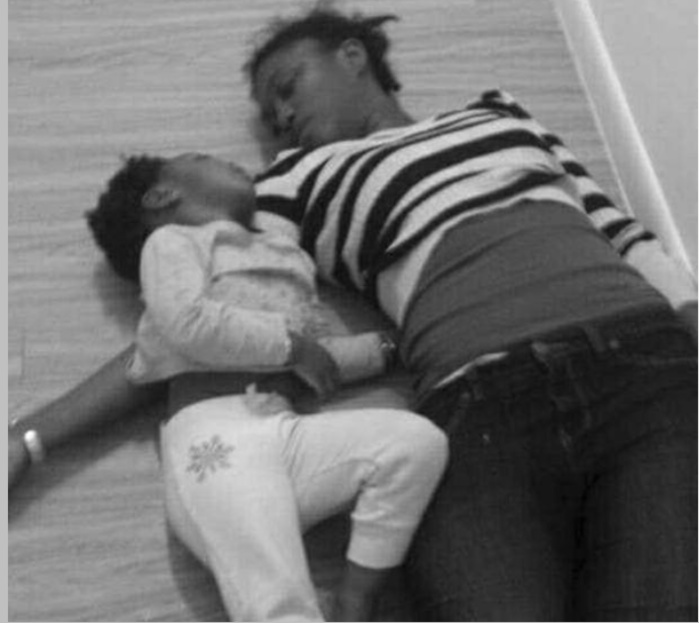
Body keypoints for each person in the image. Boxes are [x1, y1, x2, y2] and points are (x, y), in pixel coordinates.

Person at [10, 5, 697, 622]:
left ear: (351, 55)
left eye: (288, 86)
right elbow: (190, 327)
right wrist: (29, 436)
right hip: (477, 403)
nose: (281, 116)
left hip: (646, 366)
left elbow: (622, 233)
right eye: (270, 114)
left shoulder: (498, 113)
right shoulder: (293, 180)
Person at [89, 151, 448, 621]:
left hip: (286, 432)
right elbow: (187, 323)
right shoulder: (170, 241)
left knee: (415, 443)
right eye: (200, 158)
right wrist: (292, 347)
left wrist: (387, 347)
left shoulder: (282, 253)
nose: (229, 162)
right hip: (218, 444)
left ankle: (355, 601)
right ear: (161, 196)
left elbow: (317, 360)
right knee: (280, 608)